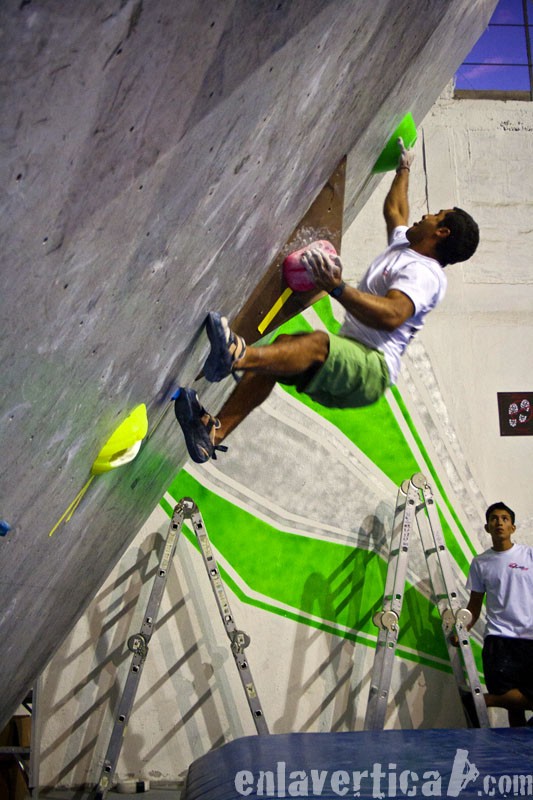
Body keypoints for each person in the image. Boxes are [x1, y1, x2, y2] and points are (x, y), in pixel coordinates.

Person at [174, 139, 480, 463]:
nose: (426, 214)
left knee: (316, 343)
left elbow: (393, 315)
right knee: (279, 353)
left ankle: (235, 357)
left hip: (372, 368)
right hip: (357, 363)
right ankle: (213, 434)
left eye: (436, 214)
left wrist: (337, 288)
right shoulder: (406, 245)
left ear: (442, 232)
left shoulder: (425, 273)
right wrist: (403, 167)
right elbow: (396, 210)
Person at [461, 502, 533, 727]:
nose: (499, 522)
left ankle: (482, 700)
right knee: (514, 707)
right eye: (494, 518)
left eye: (504, 518)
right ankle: (517, 753)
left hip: (529, 638)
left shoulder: (529, 555)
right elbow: (473, 607)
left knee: (520, 699)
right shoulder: (480, 563)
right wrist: (461, 630)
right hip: (499, 640)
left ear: (512, 527)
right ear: (487, 527)